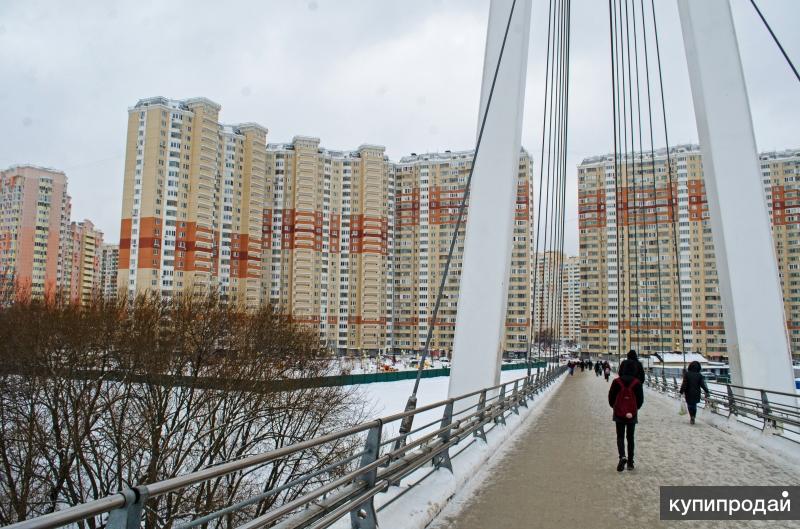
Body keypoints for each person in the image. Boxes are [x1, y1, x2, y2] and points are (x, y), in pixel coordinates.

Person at [608, 359, 644, 471]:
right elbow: (640, 400)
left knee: (620, 436)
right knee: (630, 437)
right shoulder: (636, 382)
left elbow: (611, 398)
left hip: (619, 413)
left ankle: (622, 456)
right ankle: (630, 463)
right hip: (631, 414)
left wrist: (616, 407)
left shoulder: (616, 381)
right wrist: (633, 409)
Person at [679, 360, 710, 425]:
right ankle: (693, 417)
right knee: (694, 405)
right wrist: (707, 391)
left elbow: (684, 384)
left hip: (688, 392)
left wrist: (681, 391)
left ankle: (691, 417)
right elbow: (702, 384)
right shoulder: (699, 375)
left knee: (690, 405)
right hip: (696, 393)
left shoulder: (687, 374)